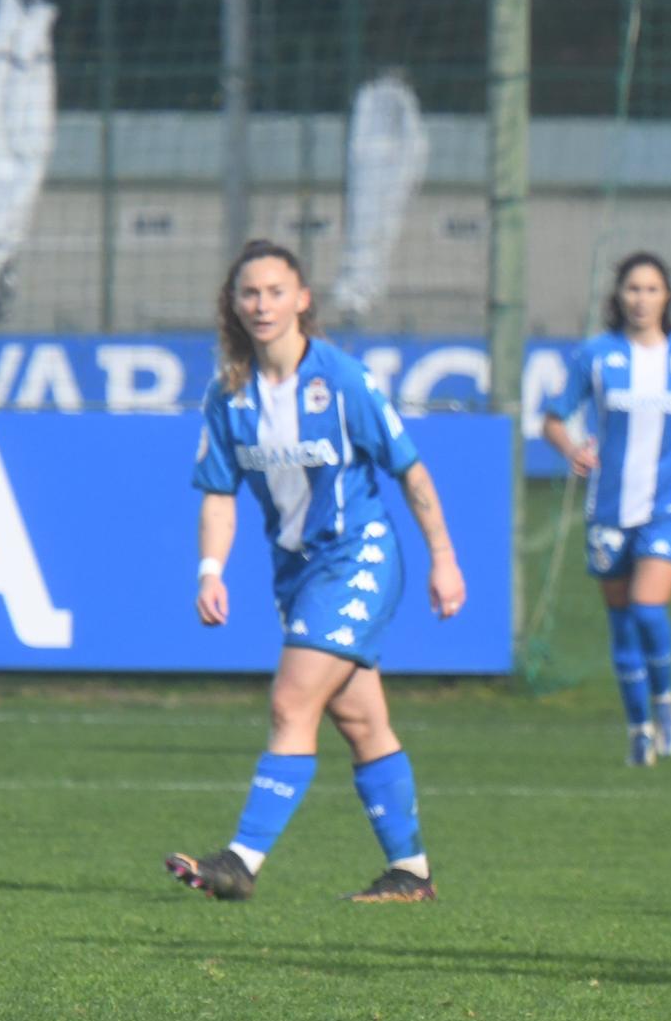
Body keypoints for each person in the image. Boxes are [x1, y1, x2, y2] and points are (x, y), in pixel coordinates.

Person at [165, 240, 466, 902]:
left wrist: (443, 558)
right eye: (250, 292)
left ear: (302, 299)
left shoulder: (341, 380)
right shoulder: (231, 394)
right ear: (233, 304)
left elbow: (410, 470)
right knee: (360, 720)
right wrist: (209, 570)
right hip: (296, 571)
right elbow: (219, 492)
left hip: (359, 555)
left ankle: (241, 860)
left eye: (276, 291)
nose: (262, 303)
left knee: (290, 701)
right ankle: (410, 872)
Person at [541, 252, 671, 765]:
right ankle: (638, 728)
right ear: (617, 296)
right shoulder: (596, 355)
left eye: (651, 289)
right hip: (608, 508)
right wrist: (572, 449)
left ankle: (665, 700)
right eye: (632, 289)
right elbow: (554, 419)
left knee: (648, 608)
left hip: (669, 505)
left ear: (666, 296)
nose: (641, 299)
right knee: (621, 622)